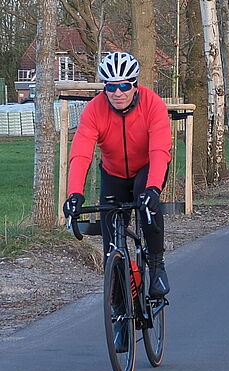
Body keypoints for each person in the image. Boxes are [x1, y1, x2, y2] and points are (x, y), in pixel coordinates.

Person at [62, 51, 171, 298]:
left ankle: (156, 265)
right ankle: (119, 297)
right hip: (113, 173)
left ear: (134, 85)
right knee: (111, 239)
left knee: (148, 210)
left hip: (146, 169)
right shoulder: (94, 110)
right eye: (111, 87)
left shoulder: (153, 104)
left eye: (124, 85)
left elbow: (159, 151)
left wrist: (153, 189)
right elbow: (80, 154)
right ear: (104, 88)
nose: (117, 93)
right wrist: (74, 194)